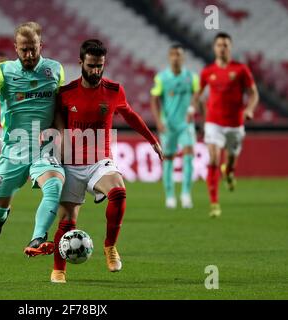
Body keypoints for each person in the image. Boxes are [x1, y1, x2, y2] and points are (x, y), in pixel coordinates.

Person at [50, 39, 163, 283]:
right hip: (70, 165)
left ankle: (110, 246)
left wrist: (152, 140)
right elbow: (54, 124)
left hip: (100, 162)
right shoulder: (66, 93)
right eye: (91, 65)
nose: (96, 71)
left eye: (100, 65)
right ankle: (59, 269)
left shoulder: (114, 91)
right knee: (67, 222)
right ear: (81, 63)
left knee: (119, 192)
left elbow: (130, 115)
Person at [0, 21, 66, 256]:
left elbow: (59, 108)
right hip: (14, 148)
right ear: (15, 48)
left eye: (33, 48)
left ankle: (37, 238)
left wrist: (61, 137)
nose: (29, 54)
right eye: (24, 49)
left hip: (44, 146)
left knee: (55, 184)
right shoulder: (4, 71)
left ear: (41, 45)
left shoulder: (55, 70)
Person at [196, 32, 259, 217]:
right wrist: (202, 113)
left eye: (225, 45)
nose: (222, 48)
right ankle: (214, 203)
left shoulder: (241, 70)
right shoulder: (207, 71)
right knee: (214, 158)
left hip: (235, 124)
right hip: (213, 123)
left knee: (230, 160)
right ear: (214, 48)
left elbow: (254, 93)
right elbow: (197, 95)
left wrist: (249, 109)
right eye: (219, 45)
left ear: (230, 47)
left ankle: (229, 172)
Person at [150, 44, 200, 209]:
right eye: (173, 54)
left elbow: (197, 95)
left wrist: (193, 108)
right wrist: (158, 122)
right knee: (169, 159)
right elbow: (154, 100)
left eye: (178, 54)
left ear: (183, 57)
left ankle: (186, 194)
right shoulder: (162, 78)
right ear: (169, 57)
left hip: (186, 124)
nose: (175, 57)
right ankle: (170, 196)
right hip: (169, 125)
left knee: (188, 155)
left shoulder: (192, 77)